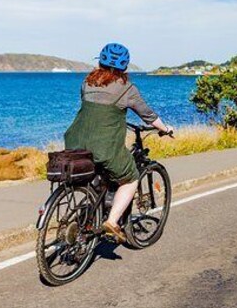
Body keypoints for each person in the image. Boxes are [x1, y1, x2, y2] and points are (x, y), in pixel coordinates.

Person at [64, 42, 174, 243]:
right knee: (130, 177)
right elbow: (147, 115)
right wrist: (165, 129)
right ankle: (112, 221)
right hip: (103, 147)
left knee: (99, 173)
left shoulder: (87, 83)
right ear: (125, 66)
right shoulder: (127, 89)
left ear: (100, 61)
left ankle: (94, 209)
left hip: (75, 142)